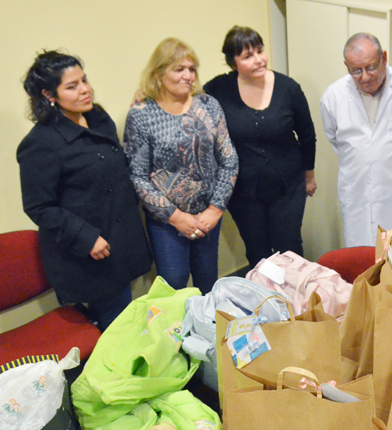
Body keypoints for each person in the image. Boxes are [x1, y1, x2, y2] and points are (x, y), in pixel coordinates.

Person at [17, 51, 152, 331]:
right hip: (91, 252)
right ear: (49, 94)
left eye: (84, 80)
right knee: (116, 326)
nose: (85, 89)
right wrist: (86, 238)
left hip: (122, 238)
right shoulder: (41, 143)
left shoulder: (97, 117)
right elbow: (39, 206)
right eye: (72, 86)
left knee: (128, 316)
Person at [124, 38, 237, 294]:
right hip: (167, 221)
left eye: (192, 68)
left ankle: (207, 331)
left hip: (208, 215)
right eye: (179, 69)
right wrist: (177, 218)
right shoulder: (142, 114)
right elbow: (138, 175)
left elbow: (229, 159)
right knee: (173, 283)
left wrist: (215, 210)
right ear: (158, 73)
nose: (188, 76)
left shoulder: (209, 105)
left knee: (208, 282)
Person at [204, 26, 317, 269]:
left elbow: (307, 135)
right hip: (243, 191)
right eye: (247, 56)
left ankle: (300, 302)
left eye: (260, 51)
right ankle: (265, 301)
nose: (259, 60)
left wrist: (309, 176)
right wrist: (146, 95)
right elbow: (186, 95)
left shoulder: (289, 89)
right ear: (233, 63)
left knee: (289, 248)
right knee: (257, 251)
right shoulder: (219, 89)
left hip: (288, 185)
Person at [321, 33, 392, 247]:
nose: (365, 77)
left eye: (371, 67)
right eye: (356, 70)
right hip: (356, 196)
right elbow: (335, 140)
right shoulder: (333, 97)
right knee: (358, 263)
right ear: (346, 66)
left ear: (384, 58)